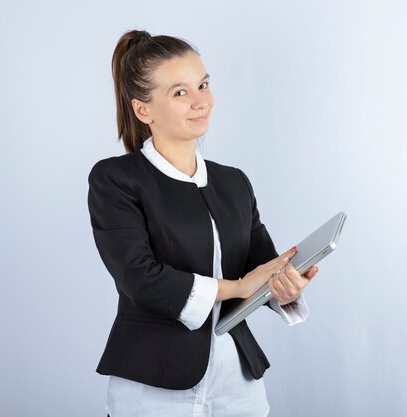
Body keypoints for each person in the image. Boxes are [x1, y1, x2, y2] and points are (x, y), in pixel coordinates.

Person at [87, 29, 318, 417]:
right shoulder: (117, 179)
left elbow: (258, 269)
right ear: (144, 110)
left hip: (237, 384)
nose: (201, 102)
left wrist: (284, 286)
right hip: (153, 383)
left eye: (203, 85)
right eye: (181, 93)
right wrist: (237, 286)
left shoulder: (233, 182)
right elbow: (140, 278)